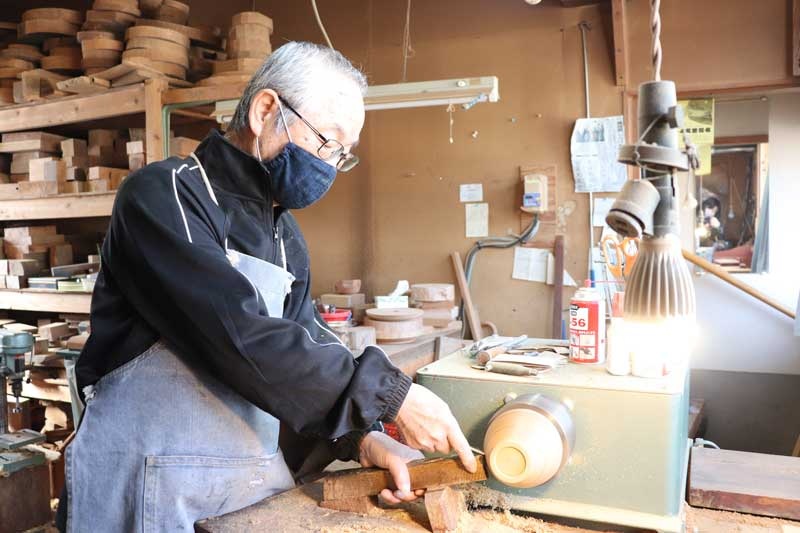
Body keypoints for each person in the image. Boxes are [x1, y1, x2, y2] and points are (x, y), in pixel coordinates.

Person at [58, 41, 476, 532]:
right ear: (264, 111)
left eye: (343, 155)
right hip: (145, 488)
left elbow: (302, 344)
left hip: (243, 494)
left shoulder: (286, 237)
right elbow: (239, 331)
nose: (331, 163)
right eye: (327, 142)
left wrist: (362, 436)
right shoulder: (164, 196)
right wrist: (393, 396)